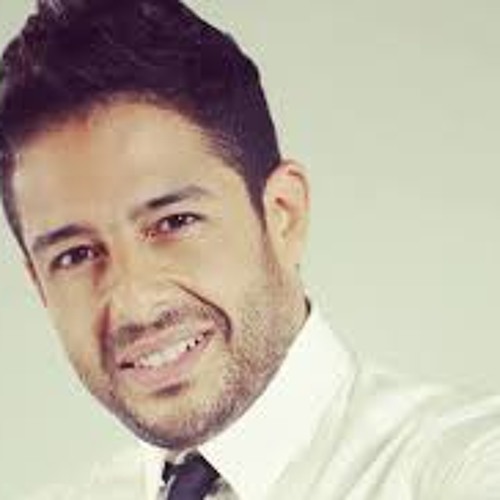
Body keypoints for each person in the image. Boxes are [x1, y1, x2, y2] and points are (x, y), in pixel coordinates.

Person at [1, 0, 500, 499]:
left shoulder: (464, 469)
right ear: (40, 286)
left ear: (283, 214)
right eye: (74, 255)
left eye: (174, 223)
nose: (134, 304)